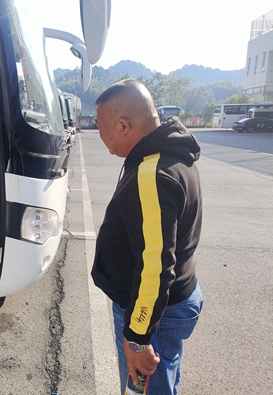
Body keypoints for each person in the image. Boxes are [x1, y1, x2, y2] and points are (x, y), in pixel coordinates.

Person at [91, 79, 204, 395]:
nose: (99, 134)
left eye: (100, 126)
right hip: (168, 305)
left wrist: (138, 338)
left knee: (148, 389)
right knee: (163, 383)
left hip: (154, 315)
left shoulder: (152, 174)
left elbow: (154, 267)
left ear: (123, 126)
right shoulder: (168, 153)